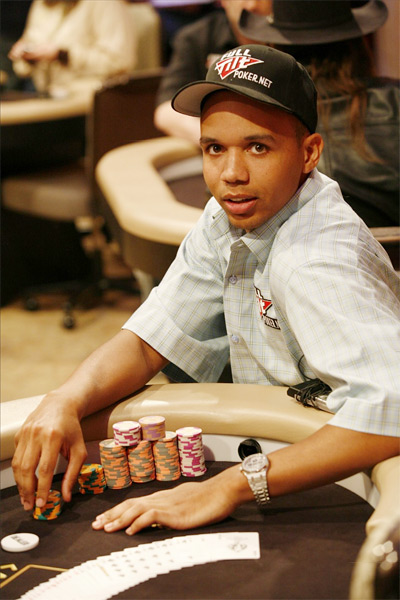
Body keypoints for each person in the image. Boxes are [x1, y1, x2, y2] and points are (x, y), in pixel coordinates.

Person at [12, 44, 400, 536]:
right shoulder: (229, 214)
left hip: (339, 479)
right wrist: (64, 399)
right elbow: (152, 336)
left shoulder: (315, 258)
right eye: (215, 148)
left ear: (309, 153)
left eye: (258, 147)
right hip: (274, 436)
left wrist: (229, 486)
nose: (231, 174)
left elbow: (392, 408)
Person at [238, 0, 400, 227]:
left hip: (294, 260)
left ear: (276, 46)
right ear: (358, 42)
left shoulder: (257, 116)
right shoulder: (395, 101)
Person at [153, 0, 272, 144]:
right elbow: (166, 111)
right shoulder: (195, 37)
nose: (252, 5)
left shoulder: (297, 37)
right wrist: (220, 139)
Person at [8, 0, 137, 96]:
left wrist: (64, 55)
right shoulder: (42, 4)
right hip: (46, 97)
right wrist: (28, 57)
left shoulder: (106, 4)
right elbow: (27, 52)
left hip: (89, 103)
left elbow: (120, 61)